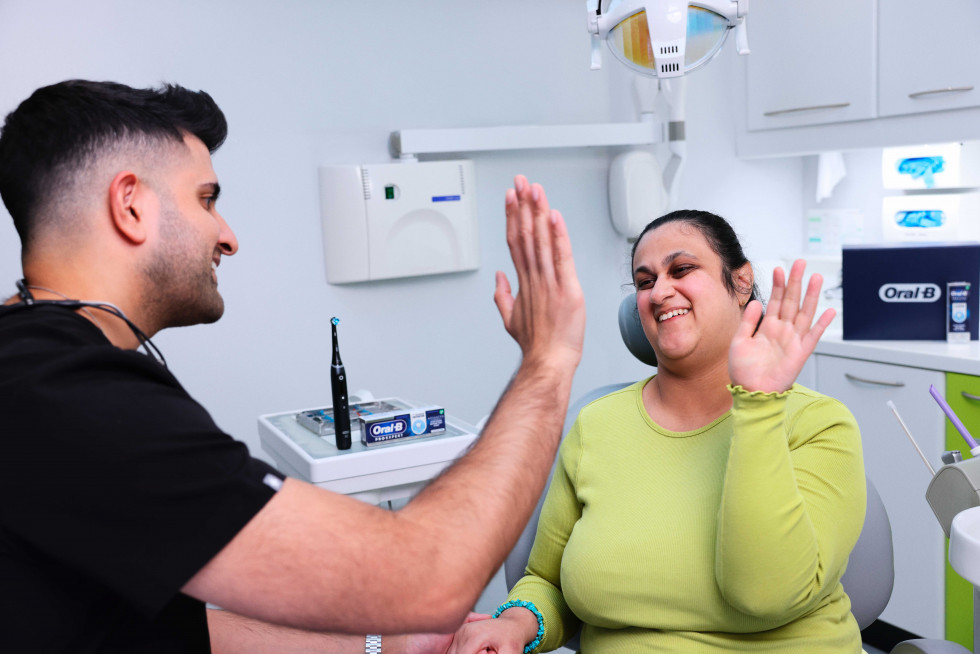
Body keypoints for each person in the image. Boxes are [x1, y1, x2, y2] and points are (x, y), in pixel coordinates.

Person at [0, 80, 586, 653]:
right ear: (130, 204)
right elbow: (430, 578)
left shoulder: (33, 369)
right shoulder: (69, 396)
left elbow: (163, 628)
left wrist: (383, 647)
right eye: (206, 199)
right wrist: (549, 359)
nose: (227, 238)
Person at [447, 209, 867, 653]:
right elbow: (547, 581)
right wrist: (515, 624)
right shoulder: (597, 424)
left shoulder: (819, 424)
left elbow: (765, 594)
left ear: (740, 282)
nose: (660, 291)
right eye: (645, 282)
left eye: (682, 269)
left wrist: (758, 405)